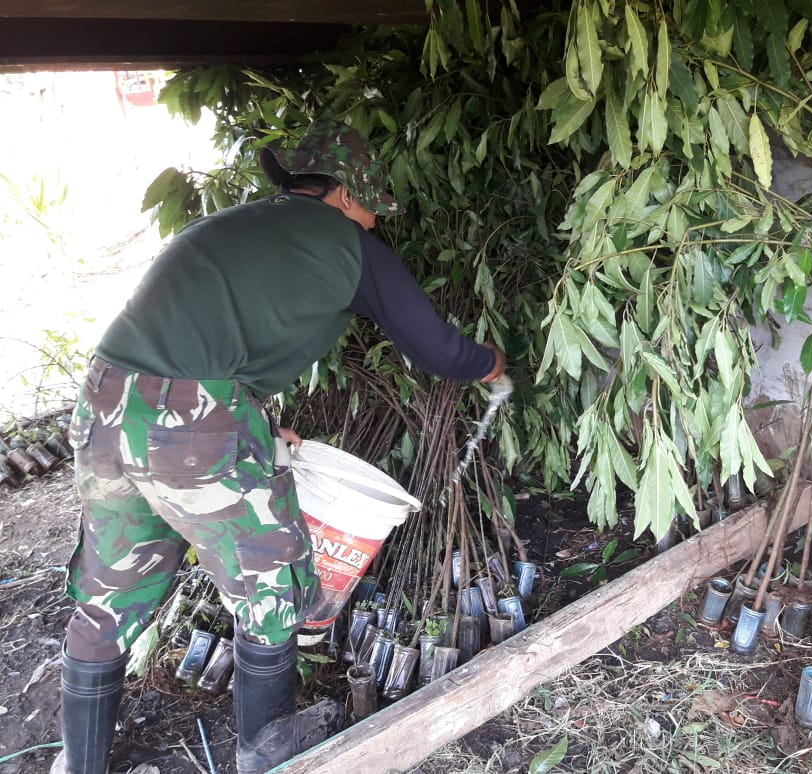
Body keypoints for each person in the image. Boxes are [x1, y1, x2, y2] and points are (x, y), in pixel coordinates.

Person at [53, 118, 506, 774]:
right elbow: (438, 350)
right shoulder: (348, 242)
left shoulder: (233, 228)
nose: (374, 222)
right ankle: (266, 752)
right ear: (346, 196)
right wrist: (491, 361)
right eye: (371, 208)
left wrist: (253, 420)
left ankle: (78, 763)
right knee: (272, 580)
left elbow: (195, 340)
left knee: (111, 590)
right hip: (193, 427)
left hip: (104, 404)